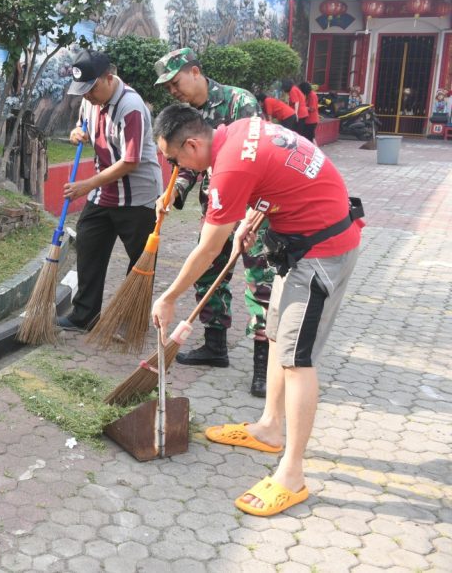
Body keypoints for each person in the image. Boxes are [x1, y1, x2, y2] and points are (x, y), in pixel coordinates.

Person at [151, 105, 362, 516]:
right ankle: (269, 427)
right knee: (277, 332)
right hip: (298, 244)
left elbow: (209, 246)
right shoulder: (238, 129)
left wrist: (169, 296)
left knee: (297, 360)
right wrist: (254, 214)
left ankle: (293, 474)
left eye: (175, 159)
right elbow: (277, 171)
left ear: (193, 144)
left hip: (322, 252)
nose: (175, 167)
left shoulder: (228, 169)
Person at [153, 47, 274, 397]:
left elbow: (254, 154)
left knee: (259, 281)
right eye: (168, 88)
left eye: (175, 82)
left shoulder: (239, 102)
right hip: (217, 206)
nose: (173, 91)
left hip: (252, 209)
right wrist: (175, 192)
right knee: (208, 272)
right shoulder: (187, 115)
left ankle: (263, 366)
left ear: (194, 71)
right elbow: (188, 163)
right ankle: (215, 345)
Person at [56, 50, 162, 332]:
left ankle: (131, 319)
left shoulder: (132, 106)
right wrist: (77, 132)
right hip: (105, 191)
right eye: (83, 91)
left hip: (137, 195)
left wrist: (86, 185)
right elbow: (84, 126)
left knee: (141, 258)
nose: (87, 96)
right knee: (88, 242)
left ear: (108, 78)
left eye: (91, 89)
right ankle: (85, 315)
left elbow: (130, 160)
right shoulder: (90, 100)